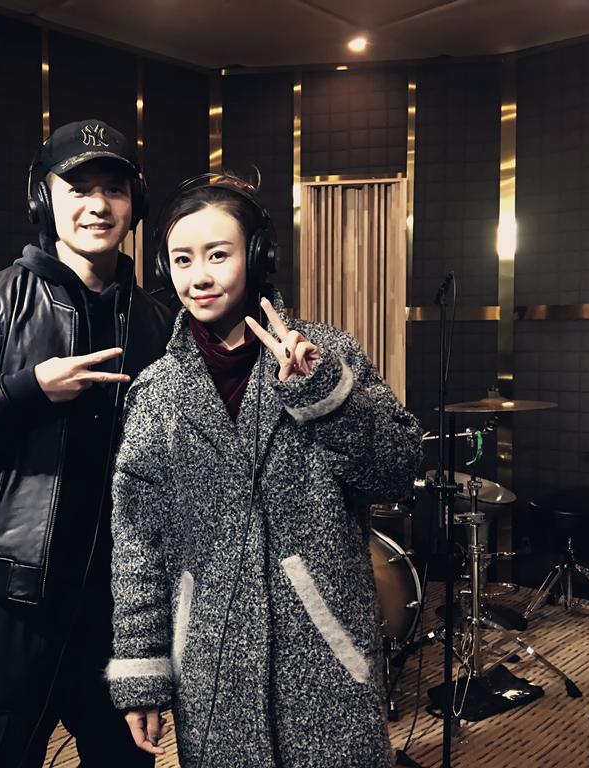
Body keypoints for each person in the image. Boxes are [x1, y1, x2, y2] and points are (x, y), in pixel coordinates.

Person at [106, 173, 423, 767]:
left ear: (256, 257)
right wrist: (143, 671)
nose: (198, 276)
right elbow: (137, 544)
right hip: (212, 665)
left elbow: (397, 472)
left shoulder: (328, 355)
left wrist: (323, 395)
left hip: (327, 653)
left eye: (217, 254)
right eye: (182, 259)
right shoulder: (156, 393)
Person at [0, 119, 173, 768]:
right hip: (18, 597)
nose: (97, 205)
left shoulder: (154, 320)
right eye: (78, 188)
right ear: (42, 199)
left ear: (135, 204)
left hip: (116, 602)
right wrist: (28, 388)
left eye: (114, 189)